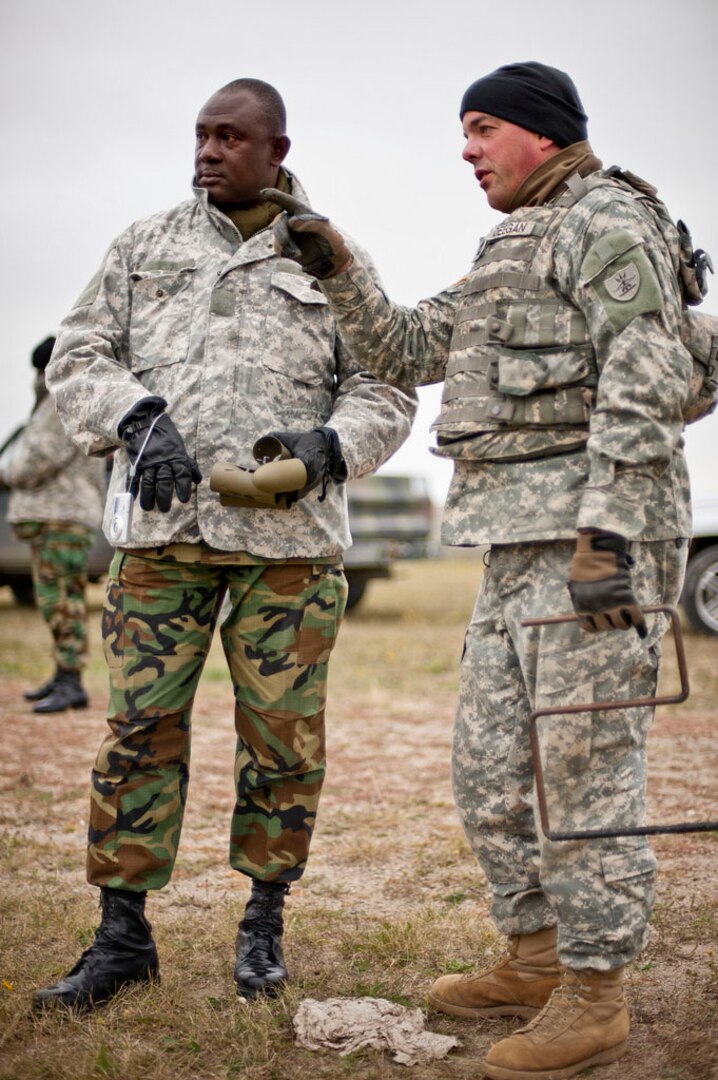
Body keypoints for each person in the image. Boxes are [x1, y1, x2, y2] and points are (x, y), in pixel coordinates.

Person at [262, 62, 705, 1079]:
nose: (465, 149)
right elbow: (411, 343)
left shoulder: (607, 221)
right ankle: (536, 955)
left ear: (540, 134)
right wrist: (336, 261)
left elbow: (645, 379)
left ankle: (595, 994)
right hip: (514, 547)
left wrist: (611, 537)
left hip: (593, 546)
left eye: (481, 128)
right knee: (491, 768)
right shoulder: (518, 238)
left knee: (580, 779)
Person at [35, 78, 416, 1011]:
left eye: (230, 137)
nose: (208, 150)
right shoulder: (145, 244)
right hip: (165, 538)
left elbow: (390, 381)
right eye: (201, 134)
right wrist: (137, 420)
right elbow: (79, 354)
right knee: (138, 734)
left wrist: (335, 445)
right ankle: (121, 939)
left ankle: (263, 928)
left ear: (276, 151)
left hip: (291, 548)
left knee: (282, 743)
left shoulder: (329, 255)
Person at [0, 336, 106, 712]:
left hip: (60, 516)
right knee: (59, 600)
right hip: (56, 517)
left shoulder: (60, 401)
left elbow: (36, 458)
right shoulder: (60, 400)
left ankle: (71, 681)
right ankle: (63, 675)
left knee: (62, 601)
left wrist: (7, 472)